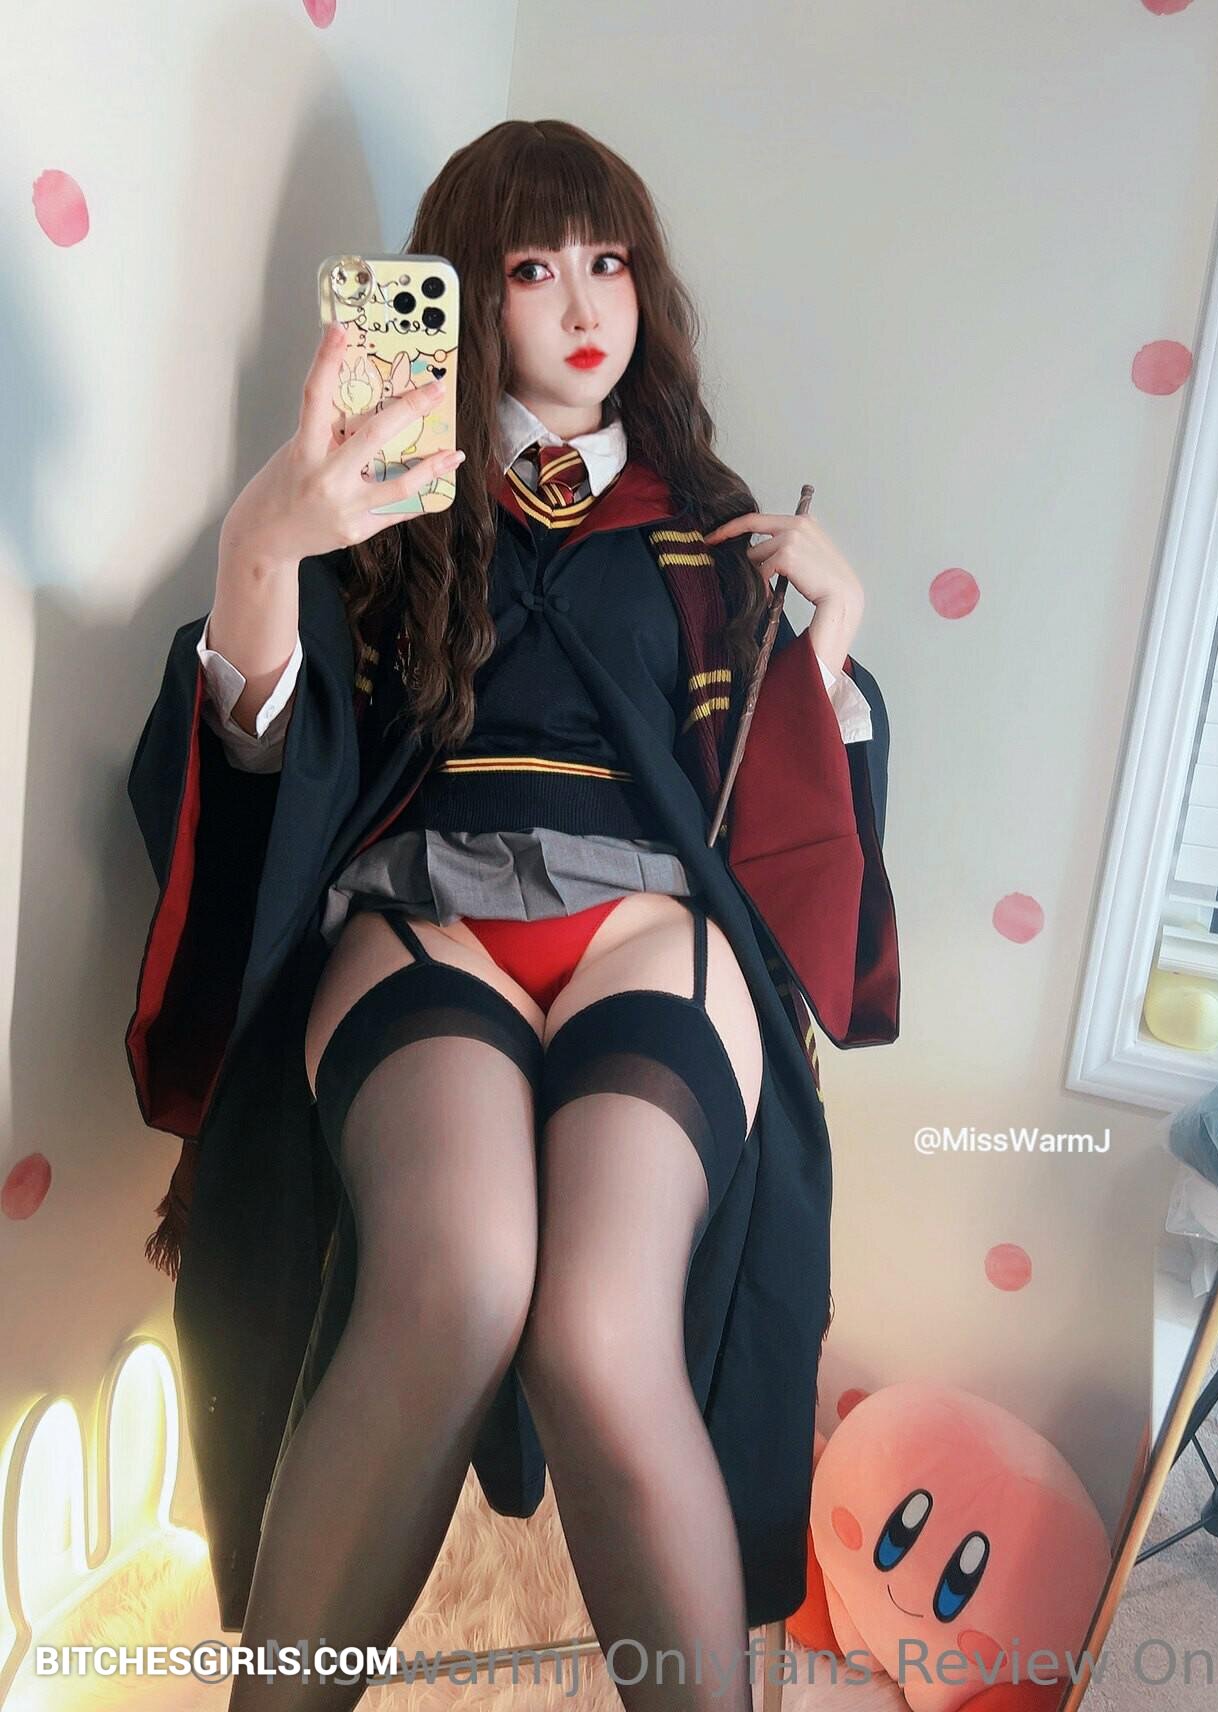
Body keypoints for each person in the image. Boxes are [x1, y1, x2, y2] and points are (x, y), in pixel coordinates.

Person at [124, 119, 900, 1709]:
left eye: (607, 260)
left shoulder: (699, 520)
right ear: (470, 298)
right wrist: (266, 542)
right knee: (457, 1280)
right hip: (430, 919)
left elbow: (754, 792)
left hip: (644, 930)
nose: (583, 303)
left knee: (601, 1334)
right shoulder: (387, 497)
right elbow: (274, 755)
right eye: (533, 269)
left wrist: (831, 641)